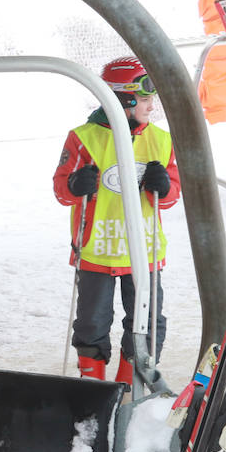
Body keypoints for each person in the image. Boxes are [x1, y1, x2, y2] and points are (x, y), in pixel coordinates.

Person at [52, 58, 181, 385]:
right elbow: (62, 190)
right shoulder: (84, 137)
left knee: (148, 322)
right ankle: (93, 388)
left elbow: (173, 195)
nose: (152, 105)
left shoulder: (161, 140)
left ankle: (128, 386)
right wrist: (75, 185)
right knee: (92, 324)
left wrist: (163, 186)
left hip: (145, 253)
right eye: (146, 98)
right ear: (123, 99)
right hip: (98, 250)